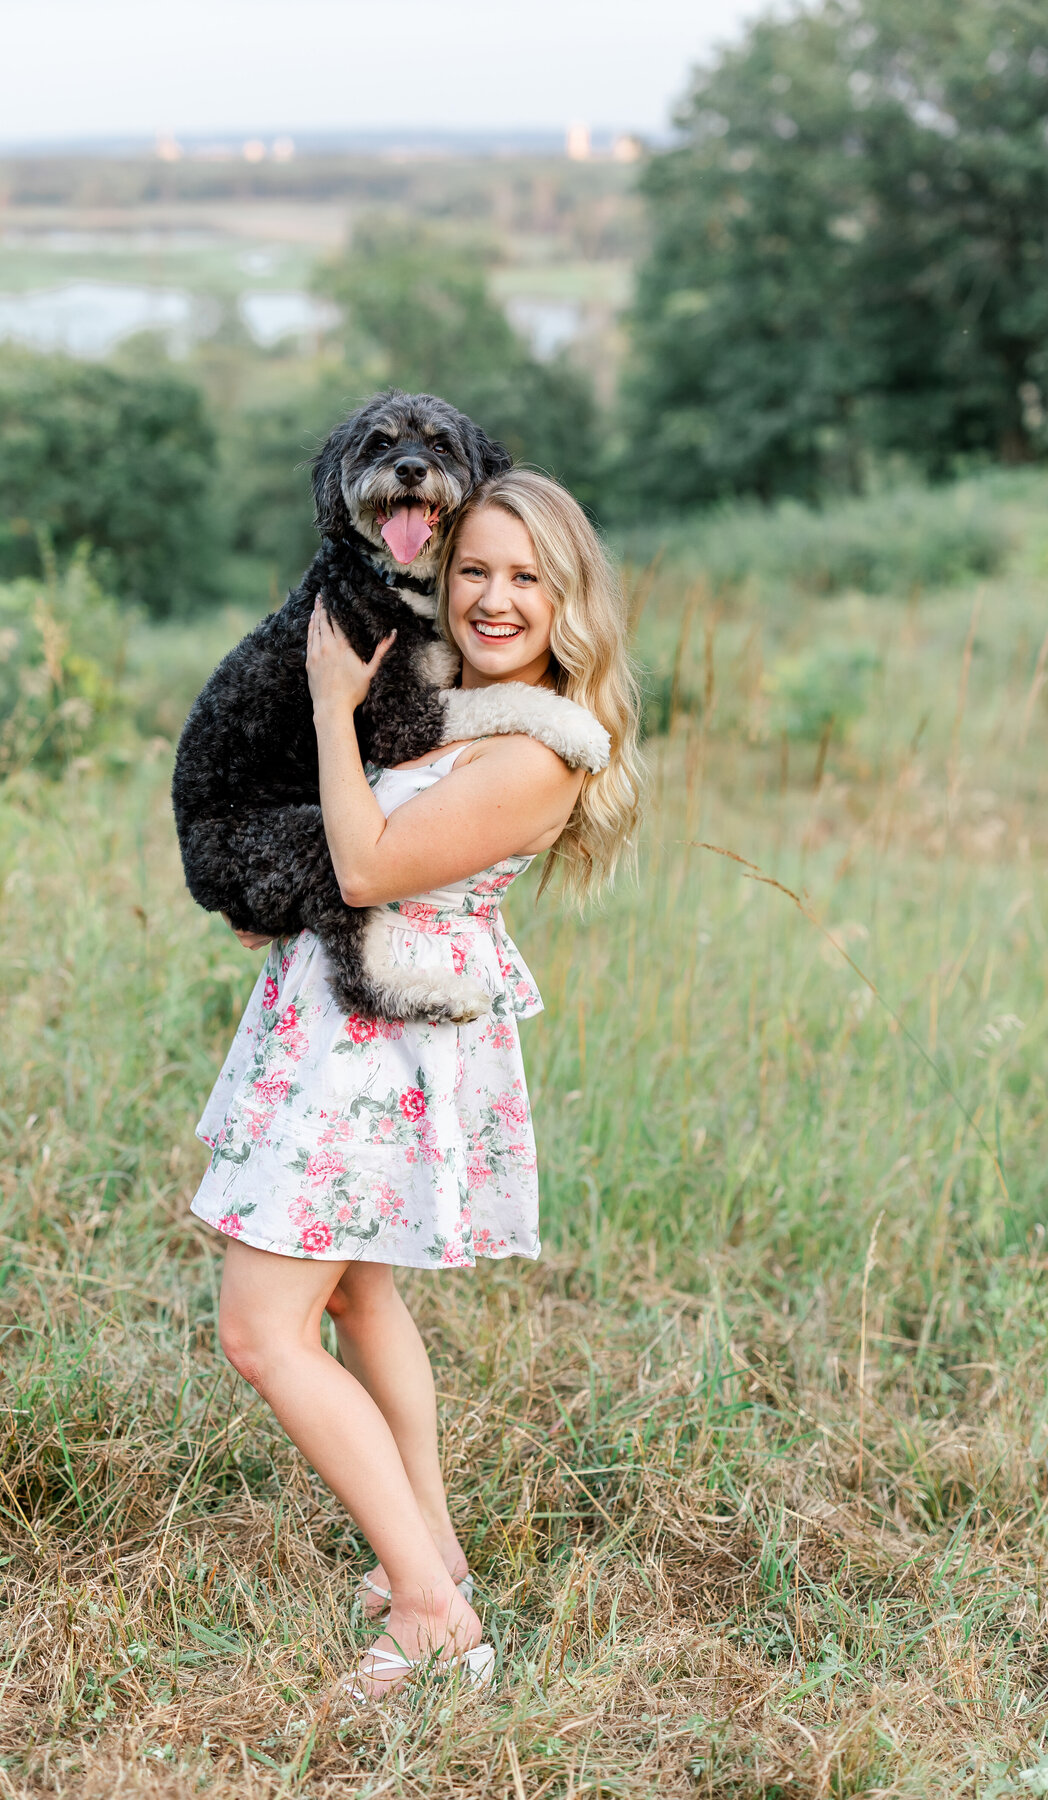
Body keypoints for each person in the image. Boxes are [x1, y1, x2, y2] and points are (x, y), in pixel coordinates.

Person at [188, 469, 642, 1699]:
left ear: (570, 600)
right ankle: (426, 1555)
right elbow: (345, 854)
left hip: (378, 1048)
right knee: (358, 1305)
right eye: (475, 572)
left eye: (526, 579)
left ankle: (437, 1616)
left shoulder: (540, 750)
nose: (494, 600)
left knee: (259, 1331)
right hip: (341, 1017)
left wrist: (334, 709)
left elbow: (377, 864)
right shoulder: (465, 704)